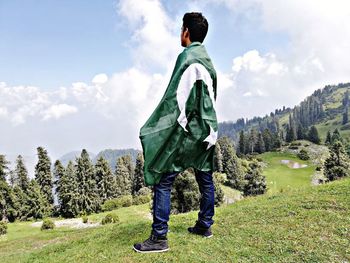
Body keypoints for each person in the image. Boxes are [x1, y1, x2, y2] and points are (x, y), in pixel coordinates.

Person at [134, 12, 218, 253]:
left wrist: (155, 128)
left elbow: (175, 101)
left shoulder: (187, 58)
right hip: (208, 130)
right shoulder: (208, 62)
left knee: (163, 178)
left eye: (181, 29)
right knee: (205, 177)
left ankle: (159, 237)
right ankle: (204, 225)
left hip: (187, 131)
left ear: (186, 32)